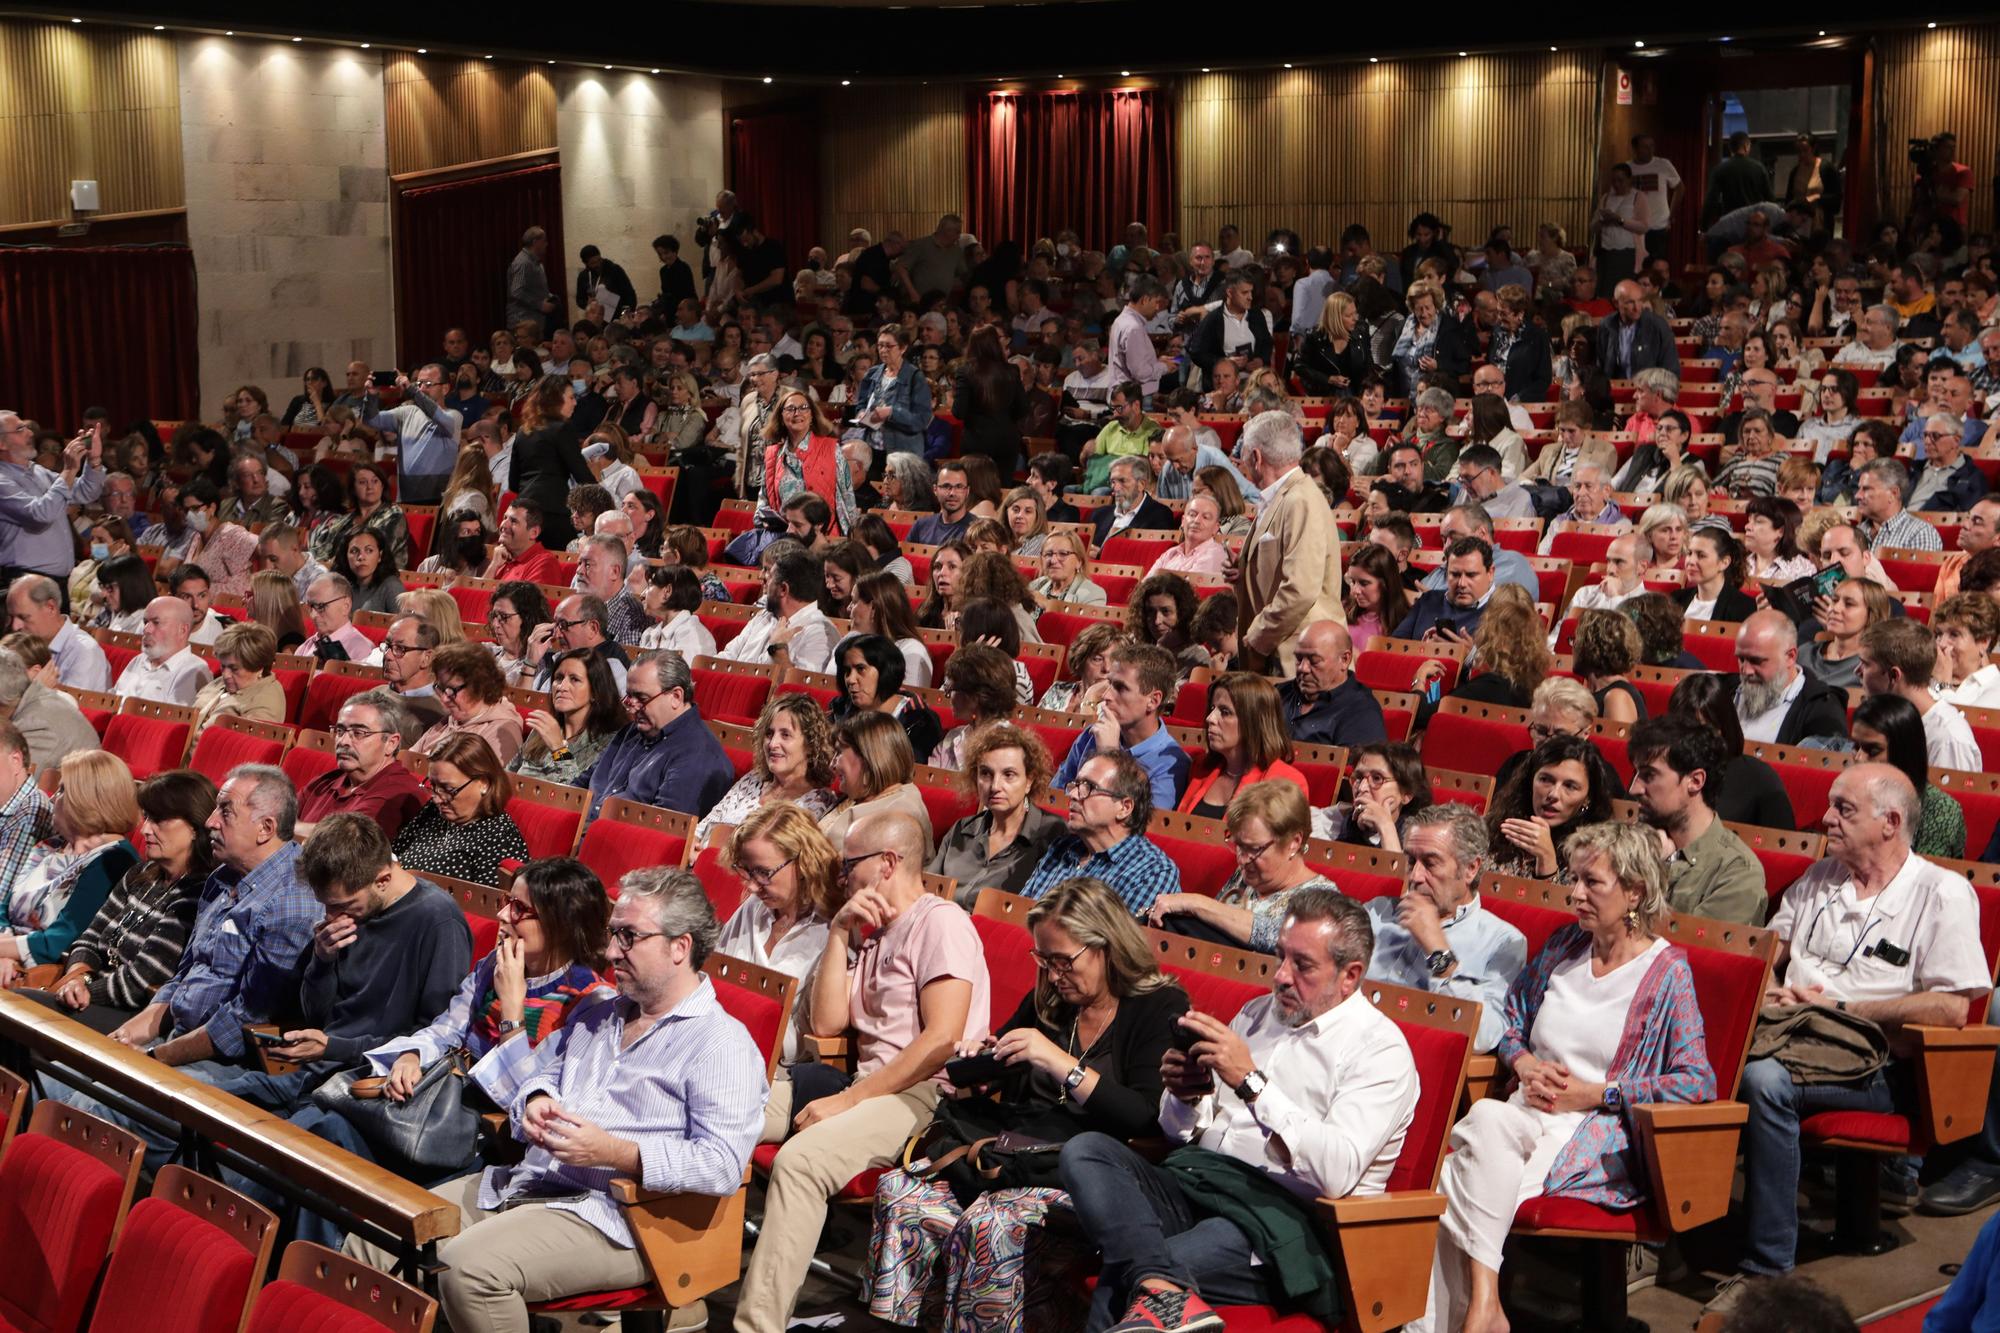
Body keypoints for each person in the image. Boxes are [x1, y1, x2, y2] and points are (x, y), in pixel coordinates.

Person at [356, 866, 763, 1332]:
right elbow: (543, 1076)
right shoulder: (602, 1016)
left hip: (623, 1216)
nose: (612, 951)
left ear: (680, 946)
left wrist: (616, 1153)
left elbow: (722, 1164)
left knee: (471, 1272)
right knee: (379, 1232)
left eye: (629, 937)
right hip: (533, 1182)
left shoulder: (721, 1043)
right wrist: (537, 1098)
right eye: (613, 935)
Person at [1701, 764, 1990, 1322]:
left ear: (1891, 822)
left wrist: (1840, 1009)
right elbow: (1769, 953)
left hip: (1880, 1066)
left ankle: (1767, 1270)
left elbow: (1954, 1007)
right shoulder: (1819, 879)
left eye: (1843, 809)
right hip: (1794, 1034)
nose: (1826, 818)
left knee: (1763, 1079)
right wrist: (1768, 991)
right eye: (1831, 805)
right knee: (1705, 1048)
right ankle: (1673, 1230)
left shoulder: (1941, 894)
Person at [1059, 886, 1417, 1333]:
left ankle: (1154, 1277)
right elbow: (1180, 1134)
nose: (1281, 976)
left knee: (1128, 1269)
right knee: (1086, 1150)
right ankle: (1161, 1284)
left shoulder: (1379, 1050)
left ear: (1350, 975)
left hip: (1279, 1223)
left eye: (1302, 965)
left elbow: (1337, 1173)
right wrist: (1187, 1099)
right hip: (1197, 1182)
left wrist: (1251, 1084)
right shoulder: (1257, 1014)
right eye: (1281, 956)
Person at [1414, 822, 1716, 1333]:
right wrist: (1525, 1063)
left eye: (1591, 882)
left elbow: (1695, 1082)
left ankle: (1466, 1318)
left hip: (1592, 1134)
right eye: (1574, 879)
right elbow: (1510, 1022)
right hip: (1523, 1114)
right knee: (1481, 1131)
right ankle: (1484, 1306)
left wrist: (1599, 1093)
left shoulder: (1667, 974)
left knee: (1451, 1187)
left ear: (1635, 890)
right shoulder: (1565, 946)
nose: (1574, 893)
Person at [868, 876, 1188, 1333]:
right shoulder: (1054, 997)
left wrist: (1057, 1061)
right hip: (1022, 1152)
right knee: (900, 1194)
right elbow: (1008, 1060)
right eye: (1044, 959)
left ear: (1107, 944)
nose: (1055, 974)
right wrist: (981, 1067)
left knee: (990, 1226)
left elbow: (1144, 1117)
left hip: (1092, 1173)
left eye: (1064, 961)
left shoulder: (1158, 1006)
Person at [737, 811, 988, 1333]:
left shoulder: (940, 923)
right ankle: (680, 1287)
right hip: (864, 1085)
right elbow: (827, 1022)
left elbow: (941, 1041)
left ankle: (757, 1327)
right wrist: (837, 932)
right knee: (721, 1113)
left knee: (800, 1163)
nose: (839, 876)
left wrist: (849, 1102)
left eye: (848, 864)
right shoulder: (870, 931)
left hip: (924, 1096)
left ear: (888, 863)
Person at [296, 856, 613, 1248]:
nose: (502, 914)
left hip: (486, 1141)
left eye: (519, 908)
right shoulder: (492, 966)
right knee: (323, 1133)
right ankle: (304, 1273)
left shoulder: (588, 1002)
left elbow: (532, 1103)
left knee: (335, 1146)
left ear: (560, 921)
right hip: (440, 1104)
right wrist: (411, 1056)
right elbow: (447, 1029)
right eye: (505, 901)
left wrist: (512, 1012)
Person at [22, 770, 216, 1034]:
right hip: (85, 993)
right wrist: (78, 976)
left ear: (195, 827)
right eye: (147, 817)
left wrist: (84, 986)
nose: (145, 829)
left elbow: (140, 981)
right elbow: (88, 939)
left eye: (159, 820)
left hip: (130, 1015)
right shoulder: (141, 873)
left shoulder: (196, 895)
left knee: (19, 1009)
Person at [0, 748, 140, 987]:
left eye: (63, 790)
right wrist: (5, 953)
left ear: (88, 800)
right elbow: (3, 906)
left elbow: (62, 940)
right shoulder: (51, 845)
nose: (53, 798)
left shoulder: (114, 860)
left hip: (48, 975)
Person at [1627, 715, 1768, 924]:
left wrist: (1655, 870)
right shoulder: (1632, 841)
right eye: (1636, 774)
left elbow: (1687, 952)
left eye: (1649, 776)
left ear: (1695, 781)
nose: (1634, 789)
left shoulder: (1736, 873)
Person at [1232, 411, 1343, 675]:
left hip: (1297, 657)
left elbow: (1300, 589)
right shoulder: (1286, 496)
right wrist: (1246, 572)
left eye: (1244, 453)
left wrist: (1259, 636)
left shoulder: (1300, 500)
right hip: (1281, 650)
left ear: (1256, 457)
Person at [1022, 749, 1179, 917]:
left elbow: (1121, 942)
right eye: (1075, 785)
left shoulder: (1151, 872)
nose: (1073, 795)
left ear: (1124, 807)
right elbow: (1020, 914)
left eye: (1088, 787)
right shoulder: (1061, 848)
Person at [581, 649, 734, 819]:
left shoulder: (698, 756)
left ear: (676, 696)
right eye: (629, 697)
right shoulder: (632, 731)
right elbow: (581, 784)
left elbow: (658, 832)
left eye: (642, 698)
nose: (632, 708)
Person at [1051, 642, 1190, 811]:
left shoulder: (1170, 764)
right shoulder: (1092, 734)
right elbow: (1053, 798)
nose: (1106, 695)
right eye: (1109, 684)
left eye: (1121, 688)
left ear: (1153, 701)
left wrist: (1109, 756)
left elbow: (1138, 828)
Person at [696, 693, 841, 844]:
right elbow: (702, 828)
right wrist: (693, 844)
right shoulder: (753, 780)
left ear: (811, 745)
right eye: (769, 734)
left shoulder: (818, 803)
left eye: (785, 735)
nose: (772, 744)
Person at [391, 732, 531, 886]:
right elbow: (394, 854)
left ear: (483, 783)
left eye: (449, 789)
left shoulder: (500, 837)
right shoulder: (433, 811)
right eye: (433, 785)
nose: (436, 798)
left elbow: (488, 906)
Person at [0, 411, 105, 600]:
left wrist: (94, 461)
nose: (30, 433)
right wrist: (69, 469)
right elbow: (40, 514)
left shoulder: (37, 471)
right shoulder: (2, 482)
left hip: (59, 582)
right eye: (20, 429)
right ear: (2, 444)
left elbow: (86, 492)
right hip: (27, 583)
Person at [1848, 695, 1967, 859]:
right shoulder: (1849, 797)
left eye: (1873, 750)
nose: (1859, 758)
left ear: (1903, 751)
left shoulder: (1939, 809)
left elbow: (1922, 879)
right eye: (1855, 747)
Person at [1484, 733, 1617, 881]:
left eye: (1570, 786)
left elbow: (1571, 903)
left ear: (1587, 798)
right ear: (1530, 781)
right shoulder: (1497, 829)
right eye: (1545, 780)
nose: (1553, 794)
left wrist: (1547, 858)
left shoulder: (1597, 853)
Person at [295, 691, 426, 840]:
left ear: (391, 743)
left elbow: (345, 838)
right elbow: (279, 815)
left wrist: (290, 827)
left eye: (358, 733)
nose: (343, 741)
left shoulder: (397, 792)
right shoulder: (326, 781)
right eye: (340, 731)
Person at [1858, 619, 1983, 773]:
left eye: (1865, 664)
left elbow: (1946, 797)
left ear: (1893, 675)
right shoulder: (1886, 718)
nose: (1857, 671)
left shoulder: (1947, 739)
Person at [1178, 673, 1309, 817]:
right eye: (1212, 708)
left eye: (1225, 712)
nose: (1210, 718)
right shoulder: (1201, 767)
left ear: (1254, 721)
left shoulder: (1285, 783)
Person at [507, 647, 625, 786]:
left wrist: (559, 750)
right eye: (559, 678)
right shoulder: (544, 727)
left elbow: (577, 793)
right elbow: (508, 774)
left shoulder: (609, 742)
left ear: (595, 691)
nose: (562, 687)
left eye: (574, 679)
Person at [719, 548, 836, 675]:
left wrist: (778, 650)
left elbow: (801, 690)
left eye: (770, 578)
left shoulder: (820, 633)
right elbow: (728, 655)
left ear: (783, 589)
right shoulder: (765, 616)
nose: (763, 579)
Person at [416, 641, 527, 766]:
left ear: (479, 686)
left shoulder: (502, 733)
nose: (444, 699)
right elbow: (410, 760)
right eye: (441, 688)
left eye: (452, 690)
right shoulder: (449, 720)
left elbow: (490, 783)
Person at [0, 645, 96, 778]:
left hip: (77, 796)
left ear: (2, 704)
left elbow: (11, 783)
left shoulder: (36, 725)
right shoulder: (30, 699)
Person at [188, 621, 285, 738]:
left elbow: (242, 748)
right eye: (223, 666)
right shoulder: (222, 683)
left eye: (234, 669)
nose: (225, 675)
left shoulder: (266, 702)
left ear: (258, 667)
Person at [113, 596, 213, 705]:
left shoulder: (194, 670)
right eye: (145, 622)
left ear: (182, 630)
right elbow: (112, 701)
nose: (146, 629)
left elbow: (171, 720)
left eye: (156, 622)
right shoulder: (138, 660)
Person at [1798, 577, 1893, 692]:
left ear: (1871, 614)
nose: (1835, 608)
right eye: (1834, 600)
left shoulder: (1873, 667)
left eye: (1849, 604)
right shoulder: (1804, 653)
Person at [1395, 536, 1496, 642]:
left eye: (1471, 575)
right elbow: (1393, 648)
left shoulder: (1505, 612)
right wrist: (1423, 649)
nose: (1462, 583)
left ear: (1490, 573)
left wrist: (1470, 656)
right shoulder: (1428, 600)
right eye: (1455, 574)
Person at [857, 325, 935, 459]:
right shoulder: (872, 374)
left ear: (903, 348)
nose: (883, 350)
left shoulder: (915, 377)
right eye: (880, 345)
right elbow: (861, 404)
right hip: (871, 449)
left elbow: (921, 420)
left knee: (891, 480)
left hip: (901, 453)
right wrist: (861, 413)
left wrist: (891, 413)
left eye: (888, 346)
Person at [1594, 279, 1681, 380]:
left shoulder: (1658, 326)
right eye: (1630, 302)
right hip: (1614, 389)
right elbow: (1601, 367)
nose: (1637, 308)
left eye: (1640, 300)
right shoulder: (1607, 325)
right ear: (1616, 303)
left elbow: (1671, 371)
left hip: (1649, 391)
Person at [1572, 609, 1647, 724]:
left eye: (1575, 640)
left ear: (1591, 647)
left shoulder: (1617, 698)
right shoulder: (1593, 692)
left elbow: (1618, 742)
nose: (1573, 647)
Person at [1674, 527, 1758, 624]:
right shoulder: (1676, 598)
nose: (1691, 561)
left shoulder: (1743, 607)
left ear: (1724, 563)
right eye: (1689, 553)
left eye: (1701, 555)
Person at [1030, 530, 1107, 607]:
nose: (1053, 560)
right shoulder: (1035, 586)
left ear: (1079, 561)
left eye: (1063, 554)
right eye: (1048, 554)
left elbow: (1074, 619)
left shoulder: (1093, 595)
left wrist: (1047, 604)